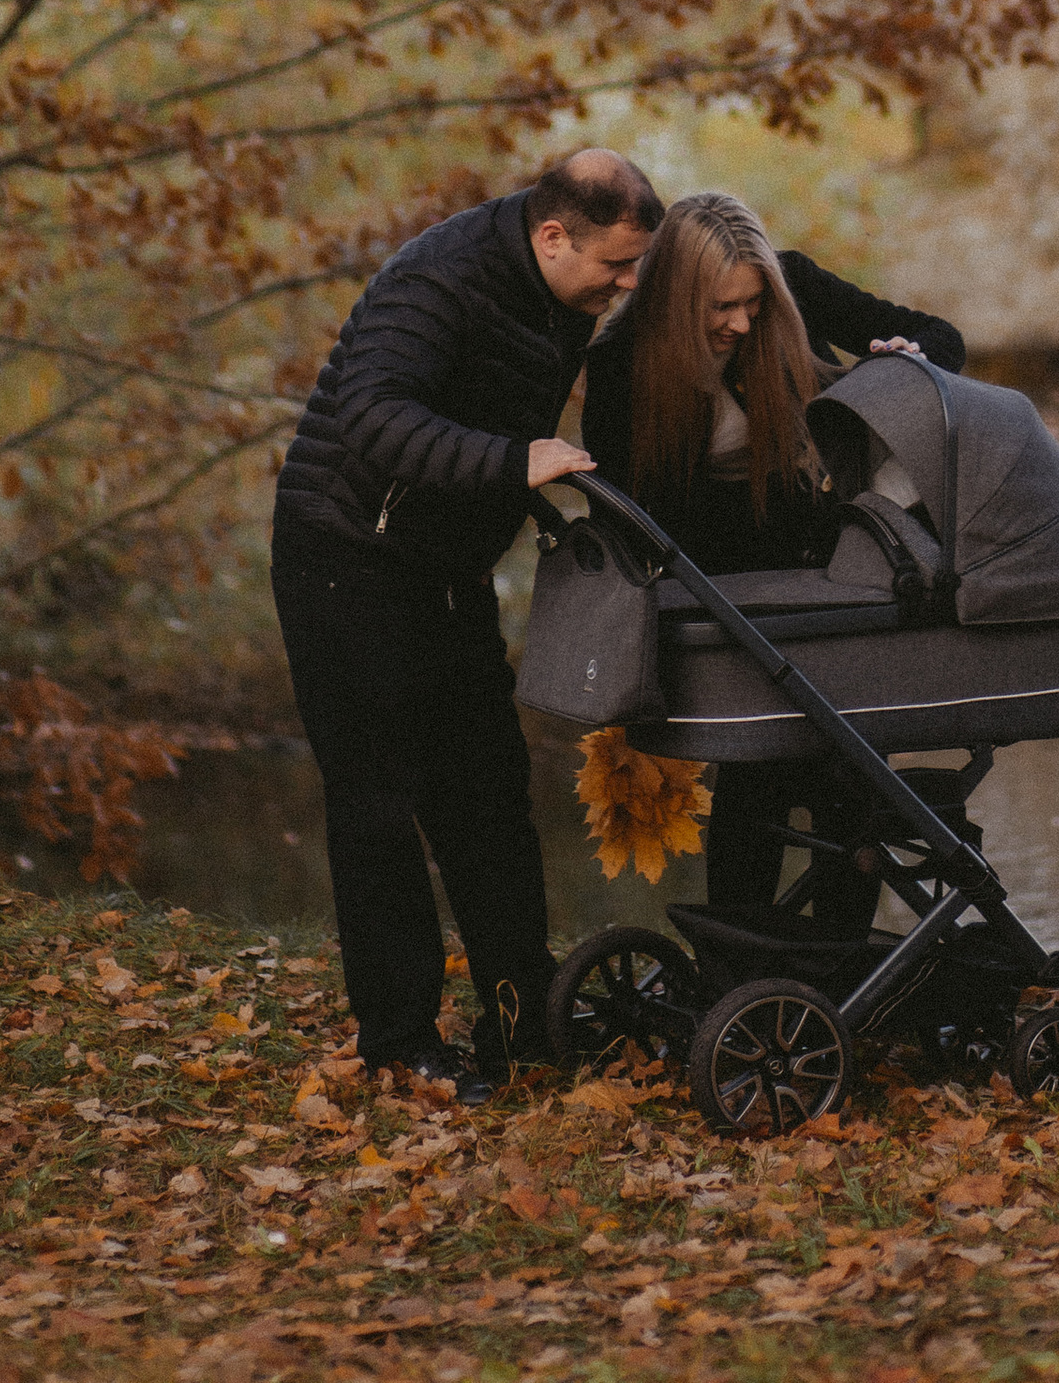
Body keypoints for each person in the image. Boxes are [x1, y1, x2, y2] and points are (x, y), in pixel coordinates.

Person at [270, 147, 662, 1092]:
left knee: (487, 796)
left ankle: (521, 1026)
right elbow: (371, 412)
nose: (627, 284)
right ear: (553, 234)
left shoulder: (566, 286)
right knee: (378, 807)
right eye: (615, 266)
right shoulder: (437, 280)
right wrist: (510, 463)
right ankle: (400, 1045)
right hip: (344, 559)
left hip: (446, 566)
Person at [577, 188, 963, 927]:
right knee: (756, 773)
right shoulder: (622, 362)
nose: (741, 323)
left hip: (832, 573)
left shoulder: (792, 285)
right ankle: (746, 962)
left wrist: (902, 362)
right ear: (673, 301)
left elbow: (940, 337)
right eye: (720, 308)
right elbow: (625, 514)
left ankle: (839, 964)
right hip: (721, 592)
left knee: (852, 769)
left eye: (753, 305)